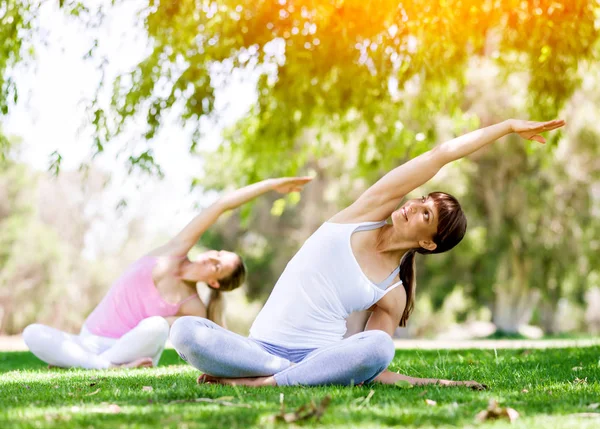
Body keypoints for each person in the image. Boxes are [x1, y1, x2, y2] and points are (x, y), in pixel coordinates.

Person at [170, 118, 565, 388]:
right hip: (258, 350)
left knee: (381, 345)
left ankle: (269, 383)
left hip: (318, 356)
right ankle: (286, 374)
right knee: (186, 333)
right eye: (421, 199)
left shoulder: (393, 291)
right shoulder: (364, 213)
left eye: (424, 213)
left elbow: (371, 364)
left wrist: (437, 383)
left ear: (428, 243)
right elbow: (441, 155)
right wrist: (508, 127)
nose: (412, 205)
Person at [22, 177, 312, 370]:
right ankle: (101, 367)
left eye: (219, 265)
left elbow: (219, 347)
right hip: (88, 339)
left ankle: (90, 364)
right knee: (32, 333)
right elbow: (222, 205)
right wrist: (272, 185)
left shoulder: (193, 307)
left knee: (159, 327)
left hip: (130, 350)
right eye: (220, 253)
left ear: (214, 281)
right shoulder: (173, 251)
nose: (213, 256)